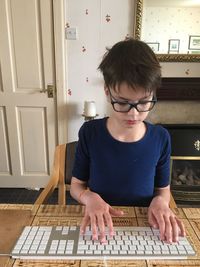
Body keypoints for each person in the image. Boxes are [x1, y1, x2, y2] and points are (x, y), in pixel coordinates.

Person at [70, 38, 185, 244]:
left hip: (145, 227)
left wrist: (160, 202)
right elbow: (76, 186)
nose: (134, 113)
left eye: (144, 102)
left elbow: (163, 190)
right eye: (122, 103)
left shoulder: (161, 138)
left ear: (153, 94)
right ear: (107, 92)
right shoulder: (90, 133)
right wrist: (89, 198)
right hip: (98, 222)